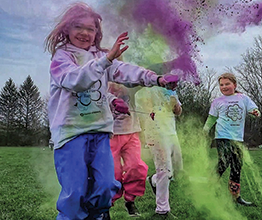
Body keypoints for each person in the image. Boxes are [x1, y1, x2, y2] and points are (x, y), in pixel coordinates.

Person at [44, 2, 178, 220]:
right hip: (70, 134)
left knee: (107, 186)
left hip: (100, 133)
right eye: (78, 27)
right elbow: (76, 82)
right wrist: (106, 61)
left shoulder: (101, 57)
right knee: (75, 192)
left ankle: (99, 215)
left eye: (90, 28)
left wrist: (156, 79)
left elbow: (125, 71)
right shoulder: (62, 57)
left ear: (97, 32)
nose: (85, 33)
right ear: (66, 29)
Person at [203, 73, 260, 206]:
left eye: (227, 84)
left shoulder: (243, 98)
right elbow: (211, 118)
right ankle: (208, 187)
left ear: (234, 85)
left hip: (237, 138)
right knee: (223, 162)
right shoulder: (217, 102)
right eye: (221, 85)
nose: (224, 87)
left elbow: (254, 110)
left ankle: (235, 197)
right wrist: (205, 130)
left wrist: (255, 113)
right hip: (222, 136)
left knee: (236, 166)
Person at [136, 86, 183, 217]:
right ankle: (162, 209)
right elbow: (141, 111)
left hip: (172, 133)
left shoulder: (171, 89)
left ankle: (154, 180)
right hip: (155, 134)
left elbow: (178, 111)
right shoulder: (144, 89)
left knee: (177, 168)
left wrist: (176, 106)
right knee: (164, 169)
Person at [108, 83, 147, 217]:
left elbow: (143, 80)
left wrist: (161, 77)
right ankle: (107, 203)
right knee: (113, 172)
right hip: (110, 134)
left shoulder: (130, 81)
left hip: (132, 132)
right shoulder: (102, 81)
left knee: (135, 166)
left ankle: (130, 201)